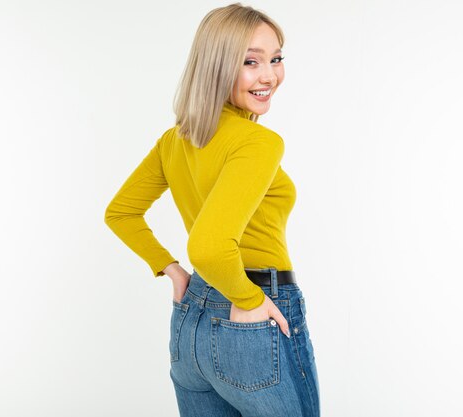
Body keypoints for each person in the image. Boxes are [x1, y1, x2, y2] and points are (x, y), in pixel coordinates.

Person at [104, 3, 319, 416]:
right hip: (253, 308)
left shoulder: (175, 140)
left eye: (275, 59)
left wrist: (173, 269)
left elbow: (121, 213)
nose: (269, 75)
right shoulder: (259, 143)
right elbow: (208, 246)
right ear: (218, 66)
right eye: (250, 62)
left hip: (192, 320)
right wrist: (250, 300)